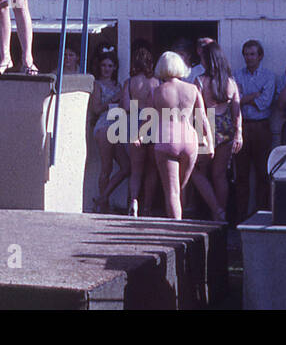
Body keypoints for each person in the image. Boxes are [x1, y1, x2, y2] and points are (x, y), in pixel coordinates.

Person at [150, 50, 211, 221]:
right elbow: (203, 118)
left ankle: (176, 230)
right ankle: (181, 224)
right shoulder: (192, 89)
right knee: (182, 188)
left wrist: (139, 136)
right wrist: (210, 143)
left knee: (172, 191)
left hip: (167, 140)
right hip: (189, 140)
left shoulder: (157, 91)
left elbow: (147, 118)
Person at [191, 41, 240, 223]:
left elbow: (197, 111)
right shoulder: (231, 82)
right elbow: (237, 111)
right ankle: (220, 217)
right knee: (220, 175)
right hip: (226, 127)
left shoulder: (200, 81)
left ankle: (216, 209)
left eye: (203, 58)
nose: (201, 62)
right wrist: (239, 133)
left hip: (206, 127)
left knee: (196, 172)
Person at [236, 39, 277, 218]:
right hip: (242, 126)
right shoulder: (236, 75)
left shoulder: (269, 76)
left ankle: (261, 214)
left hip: (261, 128)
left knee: (262, 173)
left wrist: (245, 98)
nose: (249, 58)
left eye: (252, 54)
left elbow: (264, 103)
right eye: (246, 54)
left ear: (260, 56)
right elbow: (234, 101)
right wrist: (253, 96)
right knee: (241, 175)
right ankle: (240, 216)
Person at [121, 43, 159, 216]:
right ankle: (148, 207)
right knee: (151, 168)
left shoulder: (129, 83)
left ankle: (134, 201)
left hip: (134, 122)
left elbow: (126, 106)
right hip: (152, 122)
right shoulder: (156, 82)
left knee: (135, 170)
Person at [88, 46, 127, 212]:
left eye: (110, 66)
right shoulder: (97, 84)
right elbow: (96, 108)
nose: (107, 69)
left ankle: (102, 198)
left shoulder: (118, 85)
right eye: (104, 65)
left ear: (115, 67)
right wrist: (113, 100)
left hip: (116, 127)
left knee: (127, 167)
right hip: (104, 126)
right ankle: (102, 206)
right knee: (106, 167)